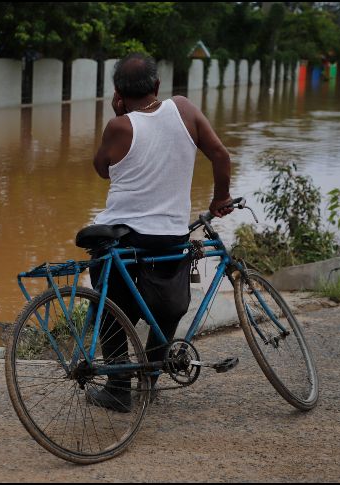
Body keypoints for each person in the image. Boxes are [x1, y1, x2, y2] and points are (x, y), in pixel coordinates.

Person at [85, 52, 233, 413]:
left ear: (118, 93)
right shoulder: (183, 109)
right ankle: (150, 376)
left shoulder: (119, 126)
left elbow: (102, 169)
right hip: (169, 236)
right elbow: (221, 155)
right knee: (167, 302)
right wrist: (221, 198)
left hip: (123, 235)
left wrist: (120, 116)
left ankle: (119, 385)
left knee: (110, 302)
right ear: (157, 85)